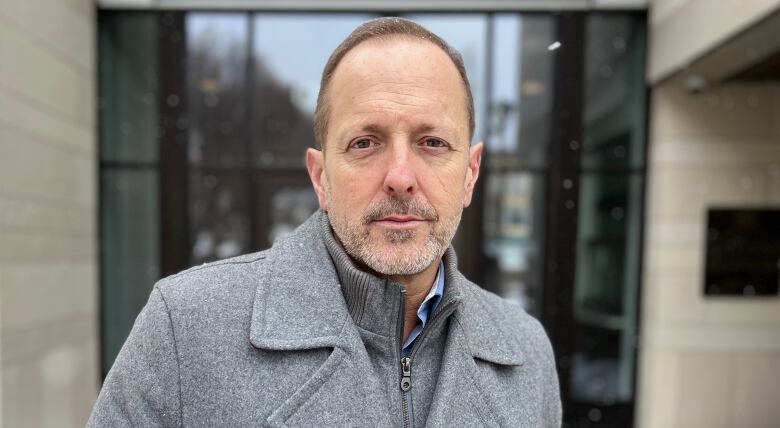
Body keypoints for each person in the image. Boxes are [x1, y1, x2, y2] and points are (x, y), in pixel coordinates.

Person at [88, 17, 561, 427]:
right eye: (365, 143)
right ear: (320, 176)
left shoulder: (528, 354)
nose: (400, 177)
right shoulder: (184, 330)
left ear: (470, 173)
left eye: (433, 142)